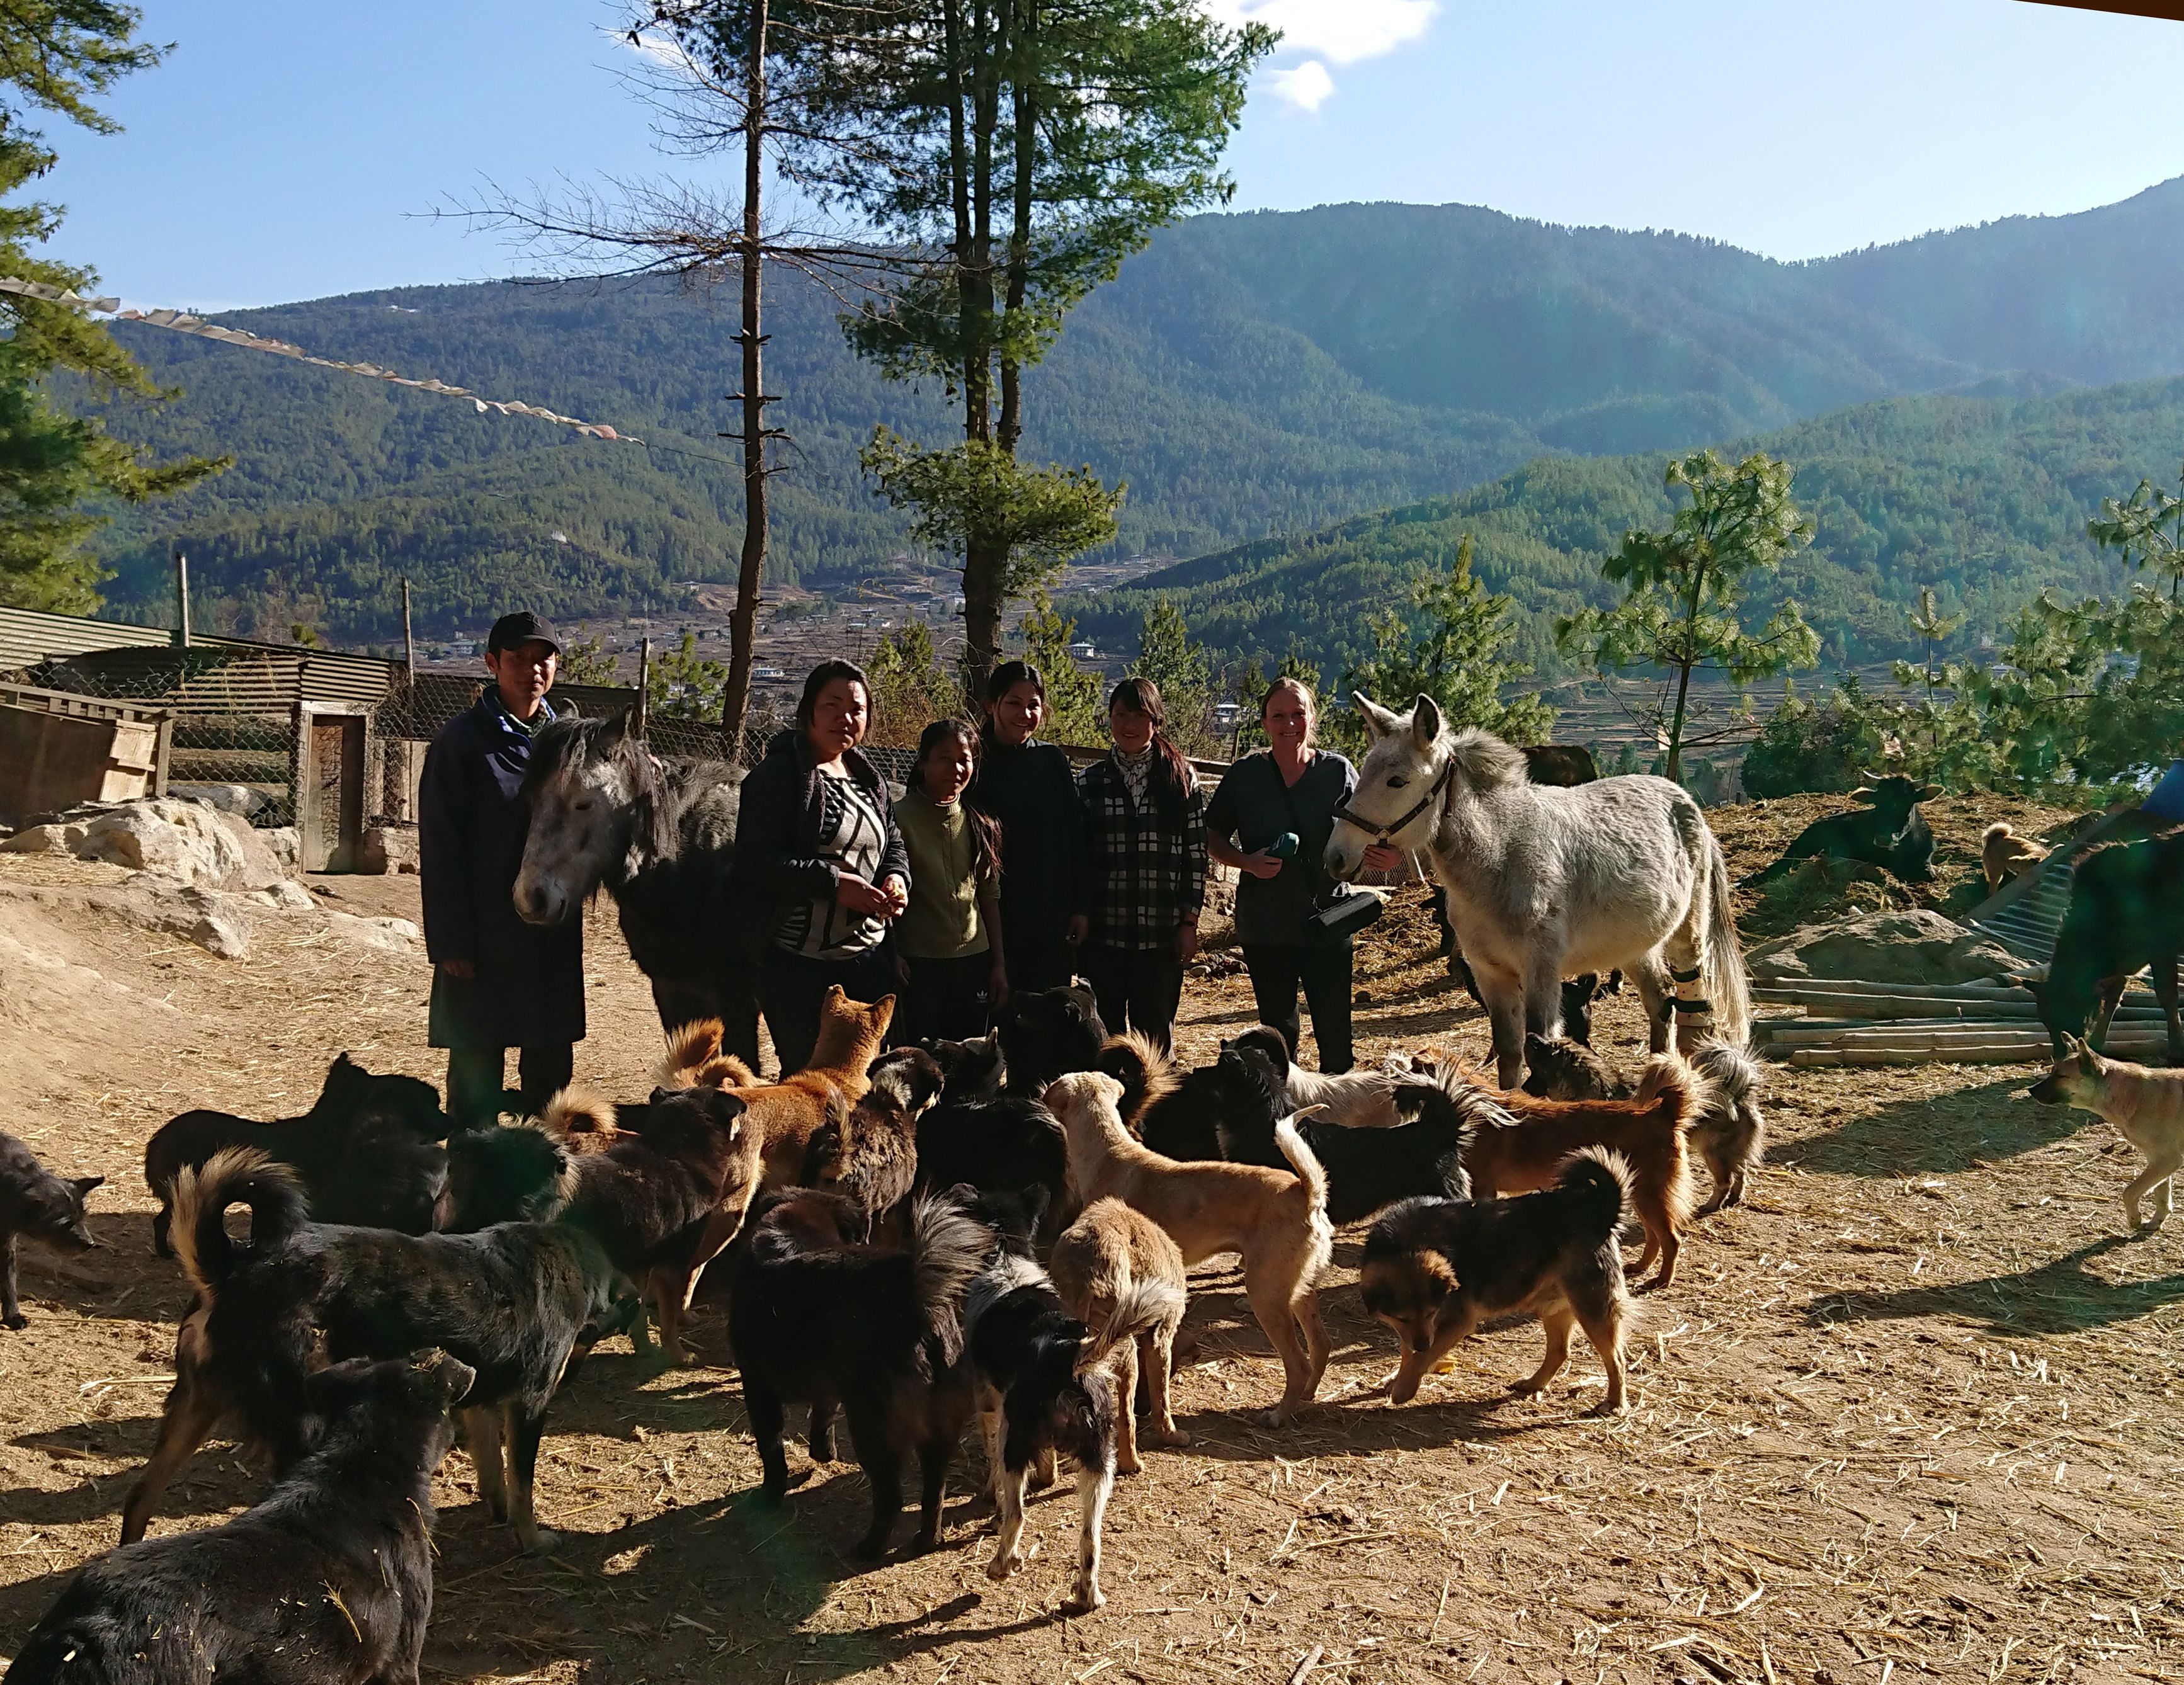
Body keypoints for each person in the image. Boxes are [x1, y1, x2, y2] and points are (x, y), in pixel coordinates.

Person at [419, 610, 583, 1125]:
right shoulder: (462, 743)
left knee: (549, 1076)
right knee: (476, 1077)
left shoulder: (571, 742)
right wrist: (451, 943)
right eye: (517, 659)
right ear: (492, 663)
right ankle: (473, 1185)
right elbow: (441, 847)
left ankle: (542, 1188)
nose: (532, 670)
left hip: (549, 931)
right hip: (482, 934)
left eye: (543, 659)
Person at [1205, 677, 1403, 1074]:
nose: (1289, 723)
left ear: (1313, 718)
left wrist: (1390, 853)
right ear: (1264, 722)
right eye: (1279, 715)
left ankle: (1342, 1122)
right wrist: (1247, 862)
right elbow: (1212, 837)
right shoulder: (1246, 774)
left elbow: (1378, 828)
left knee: (1335, 1031)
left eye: (1299, 713)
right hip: (1266, 926)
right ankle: (1286, 1119)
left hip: (1327, 921)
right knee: (1278, 1035)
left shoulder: (1337, 772)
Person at [736, 659, 910, 1074]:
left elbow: (893, 842)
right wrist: (834, 884)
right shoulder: (778, 776)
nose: (845, 718)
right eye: (832, 705)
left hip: (868, 960)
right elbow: (755, 860)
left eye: (857, 709)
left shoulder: (869, 778)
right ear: (808, 710)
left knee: (864, 1078)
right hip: (799, 968)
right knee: (807, 1082)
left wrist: (896, 877)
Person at [1071, 678, 1207, 1054]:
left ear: (1156, 721)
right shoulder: (1089, 783)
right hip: (1104, 935)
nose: (1128, 724)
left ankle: (1156, 1112)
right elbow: (1081, 858)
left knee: (1156, 1042)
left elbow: (1195, 858)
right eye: (1120, 715)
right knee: (1106, 1038)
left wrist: (1188, 923)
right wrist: (1080, 912)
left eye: (1139, 715)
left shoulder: (1180, 780)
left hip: (1160, 937)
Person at [970, 660, 1088, 992]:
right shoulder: (971, 761)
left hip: (1049, 917)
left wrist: (1080, 906)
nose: (1025, 714)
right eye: (1013, 704)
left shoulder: (1052, 761)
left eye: (1033, 705)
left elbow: (1074, 836)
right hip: (989, 918)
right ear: (991, 705)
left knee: (1045, 1018)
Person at [892, 718, 1008, 1044]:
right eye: (944, 758)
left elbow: (989, 896)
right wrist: (893, 954)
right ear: (923, 762)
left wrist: (998, 965)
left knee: (969, 1062)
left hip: (974, 963)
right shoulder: (897, 818)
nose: (956, 768)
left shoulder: (979, 822)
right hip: (919, 966)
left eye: (964, 759)